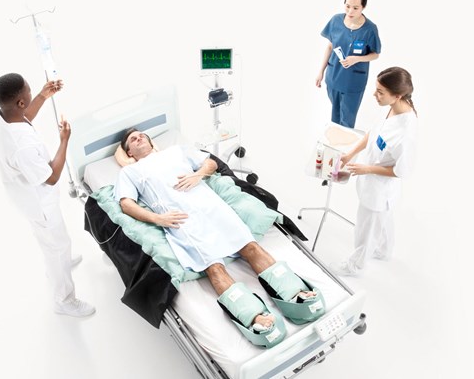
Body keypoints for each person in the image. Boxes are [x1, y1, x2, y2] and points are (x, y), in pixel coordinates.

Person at [114, 128, 324, 348]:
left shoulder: (176, 151)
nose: (139, 139)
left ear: (150, 140)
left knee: (249, 246)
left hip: (211, 205)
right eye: (132, 140)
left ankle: (294, 292)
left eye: (141, 135)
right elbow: (126, 204)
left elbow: (210, 163)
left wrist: (197, 175)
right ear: (129, 152)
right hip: (183, 221)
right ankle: (253, 317)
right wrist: (158, 219)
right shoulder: (131, 172)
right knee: (214, 266)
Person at [0, 73, 95, 317]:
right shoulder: (22, 146)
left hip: (23, 196)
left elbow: (23, 116)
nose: (30, 92)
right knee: (57, 245)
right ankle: (64, 300)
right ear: (19, 103)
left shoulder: (0, 117)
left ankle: (59, 263)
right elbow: (51, 176)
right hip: (39, 203)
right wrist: (64, 140)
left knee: (52, 242)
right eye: (28, 92)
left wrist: (41, 96)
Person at [329, 67, 418, 276]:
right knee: (383, 220)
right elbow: (374, 132)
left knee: (366, 229)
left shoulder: (405, 133)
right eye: (376, 89)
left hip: (379, 189)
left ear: (397, 95)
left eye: (380, 92)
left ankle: (354, 266)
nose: (374, 95)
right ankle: (384, 251)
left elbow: (401, 171)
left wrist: (367, 168)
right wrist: (350, 154)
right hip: (371, 182)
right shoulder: (391, 107)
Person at [315, 0, 381, 129]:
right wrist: (321, 71)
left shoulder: (370, 29)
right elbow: (329, 47)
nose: (350, 11)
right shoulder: (336, 21)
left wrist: (357, 59)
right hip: (334, 76)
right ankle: (334, 145)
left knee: (348, 119)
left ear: (363, 7)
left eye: (355, 8)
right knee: (335, 115)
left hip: (353, 81)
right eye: (347, 6)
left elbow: (375, 54)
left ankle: (345, 149)